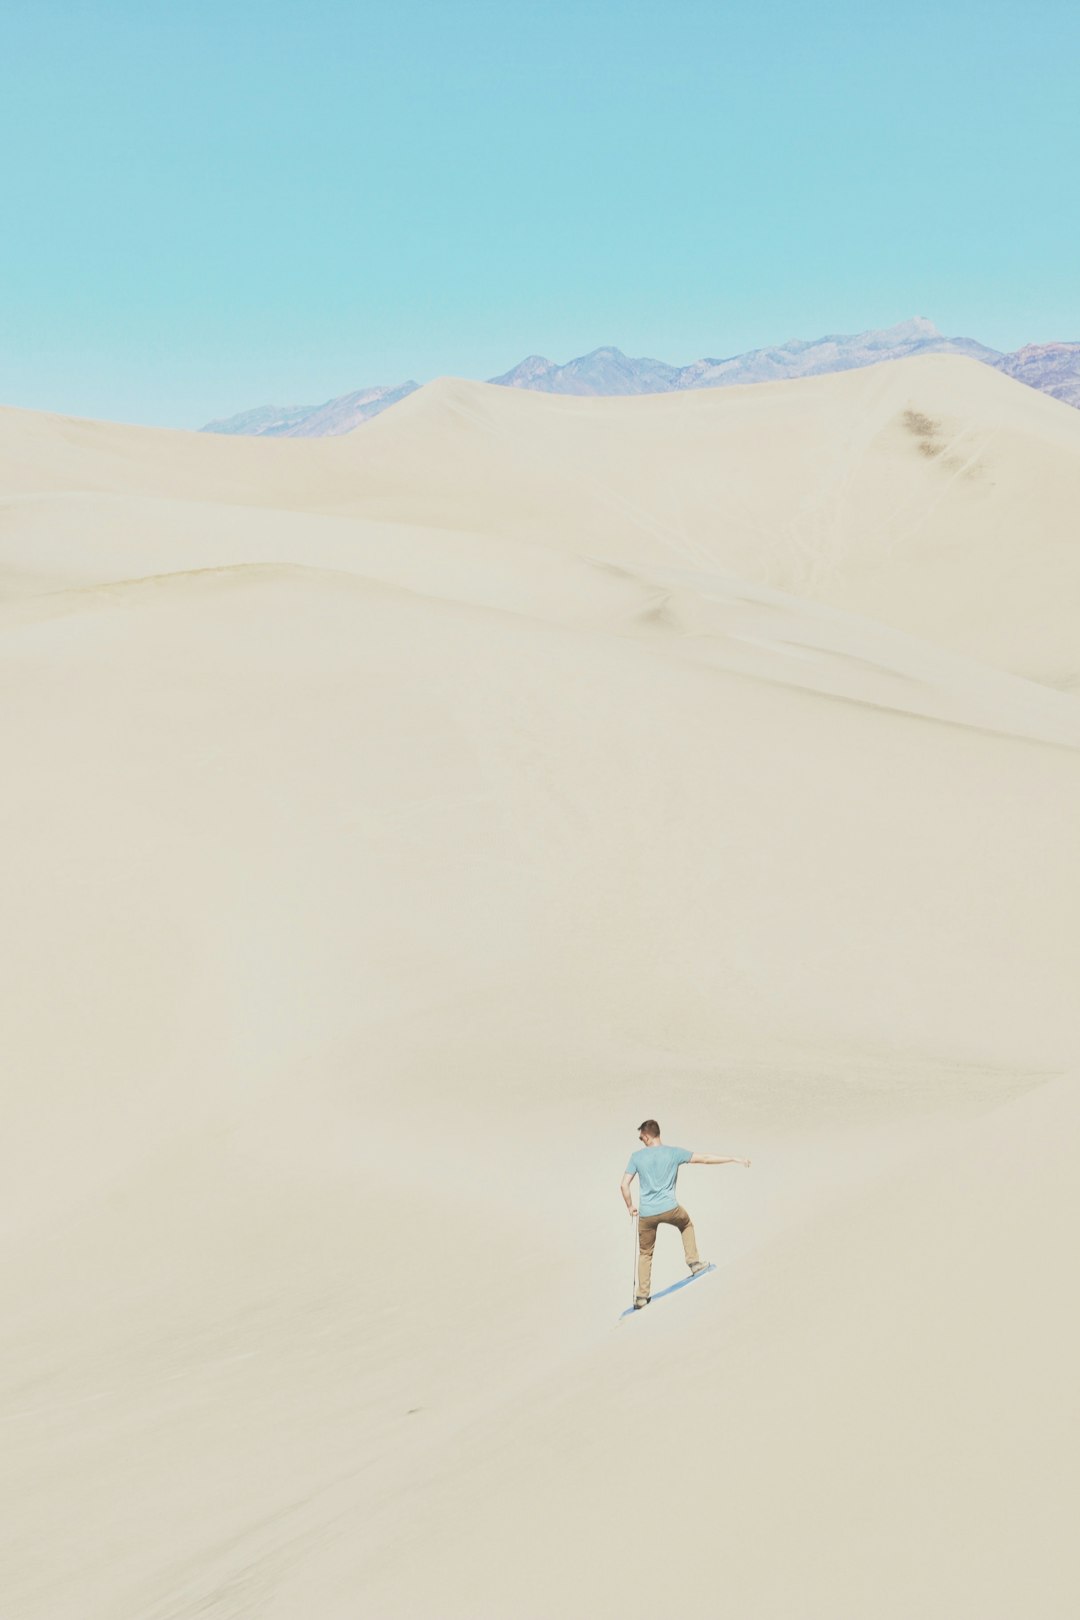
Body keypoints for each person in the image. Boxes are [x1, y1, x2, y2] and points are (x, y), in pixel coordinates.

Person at [620, 1118, 750, 1309]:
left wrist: (630, 1207)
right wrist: (733, 1159)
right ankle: (694, 1263)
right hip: (670, 1209)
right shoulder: (674, 1153)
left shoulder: (636, 1157)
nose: (641, 1141)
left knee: (645, 1252)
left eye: (641, 1138)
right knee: (685, 1224)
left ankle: (641, 1296)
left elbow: (624, 1185)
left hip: (647, 1214)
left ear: (647, 1136)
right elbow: (705, 1159)